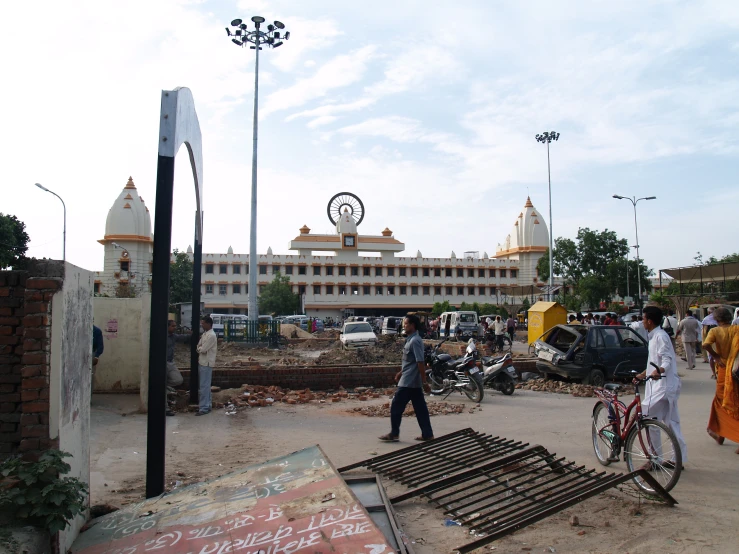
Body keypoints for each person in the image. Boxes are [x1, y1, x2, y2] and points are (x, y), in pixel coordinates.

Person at [635, 306, 687, 468]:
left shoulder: (660, 337)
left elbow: (666, 360)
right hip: (663, 384)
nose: (642, 321)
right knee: (670, 422)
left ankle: (654, 459)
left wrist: (659, 371)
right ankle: (677, 459)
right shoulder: (656, 336)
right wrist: (642, 374)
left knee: (648, 417)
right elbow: (655, 362)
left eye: (643, 319)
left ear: (649, 321)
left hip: (663, 385)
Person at [379, 315, 433, 442]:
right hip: (410, 381)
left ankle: (394, 433)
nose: (404, 326)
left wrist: (424, 381)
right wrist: (400, 372)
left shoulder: (416, 341)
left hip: (409, 382)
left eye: (406, 323)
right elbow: (411, 362)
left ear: (413, 325)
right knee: (421, 409)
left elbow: (420, 362)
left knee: (396, 406)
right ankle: (427, 434)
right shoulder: (410, 340)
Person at [702, 307, 739, 454]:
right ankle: (720, 433)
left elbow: (705, 345)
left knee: (724, 403)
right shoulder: (736, 330)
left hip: (724, 370)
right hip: (736, 370)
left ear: (717, 320)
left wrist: (716, 356)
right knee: (732, 402)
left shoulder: (715, 331)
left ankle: (722, 433)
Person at [165, 320, 189, 416]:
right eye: (173, 326)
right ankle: (166, 409)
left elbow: (183, 338)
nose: (175, 328)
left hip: (171, 362)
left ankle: (164, 386)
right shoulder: (163, 337)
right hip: (163, 363)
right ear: (167, 327)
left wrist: (192, 335)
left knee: (178, 380)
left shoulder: (173, 336)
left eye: (175, 326)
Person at [195, 316, 217, 416]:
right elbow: (199, 346)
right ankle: (207, 406)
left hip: (206, 363)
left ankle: (204, 408)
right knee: (205, 385)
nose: (202, 325)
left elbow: (202, 349)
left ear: (208, 324)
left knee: (204, 386)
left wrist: (199, 349)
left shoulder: (211, 335)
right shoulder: (205, 334)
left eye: (203, 323)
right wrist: (200, 348)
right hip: (203, 362)